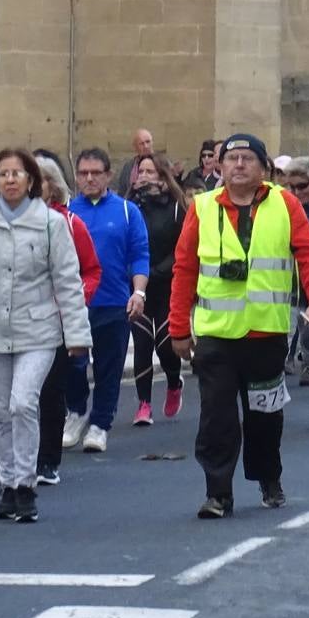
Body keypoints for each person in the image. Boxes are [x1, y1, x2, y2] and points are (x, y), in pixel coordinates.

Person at [170, 133, 309, 517]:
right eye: (231, 158)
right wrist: (178, 327)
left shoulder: (285, 204)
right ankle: (218, 493)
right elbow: (185, 268)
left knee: (264, 417)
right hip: (216, 335)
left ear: (262, 168)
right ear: (219, 166)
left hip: (266, 334)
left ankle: (268, 476)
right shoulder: (203, 207)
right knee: (216, 417)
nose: (238, 165)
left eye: (247, 158)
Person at [0, 149, 92, 524]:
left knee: (23, 402)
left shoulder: (50, 223)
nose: (10, 180)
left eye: (18, 174)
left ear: (31, 180)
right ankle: (8, 484)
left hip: (38, 329)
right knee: (0, 411)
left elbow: (68, 281)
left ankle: (26, 485)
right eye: (4, 174)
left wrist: (77, 334)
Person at [66, 148, 151, 454]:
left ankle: (100, 425)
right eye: (83, 173)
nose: (89, 179)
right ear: (76, 177)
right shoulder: (65, 212)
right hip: (73, 304)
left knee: (109, 368)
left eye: (95, 173)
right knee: (72, 365)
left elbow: (140, 255)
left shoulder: (128, 212)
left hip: (114, 302)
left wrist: (138, 293)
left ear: (107, 175)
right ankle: (75, 412)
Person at [30, 154, 101, 486]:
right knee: (19, 398)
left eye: (38, 180)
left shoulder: (70, 223)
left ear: (51, 185)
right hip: (16, 323)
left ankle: (47, 460)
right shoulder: (1, 223)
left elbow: (90, 270)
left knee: (49, 392)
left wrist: (74, 301)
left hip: (54, 321)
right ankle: (21, 458)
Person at [126, 154, 188, 424]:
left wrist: (156, 271)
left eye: (151, 171)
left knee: (165, 347)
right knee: (141, 344)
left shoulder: (176, 208)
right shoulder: (129, 207)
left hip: (166, 285)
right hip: (137, 288)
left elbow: (183, 248)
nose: (144, 176)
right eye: (141, 172)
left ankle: (174, 383)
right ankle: (144, 404)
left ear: (163, 176)